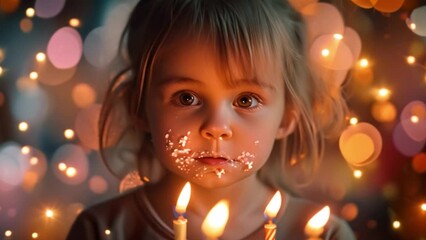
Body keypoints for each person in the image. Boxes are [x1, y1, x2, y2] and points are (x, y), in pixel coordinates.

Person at [67, 0, 356, 239]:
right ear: (139, 108)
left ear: (286, 117)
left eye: (246, 100)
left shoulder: (322, 234)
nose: (216, 127)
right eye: (186, 98)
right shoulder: (103, 231)